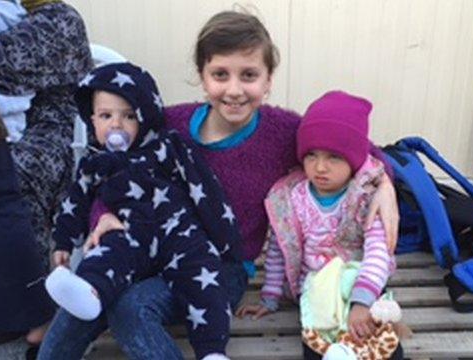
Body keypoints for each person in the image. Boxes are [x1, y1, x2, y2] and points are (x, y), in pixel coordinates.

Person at [38, 10, 399, 359]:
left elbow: (358, 149)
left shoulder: (282, 132)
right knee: (86, 294)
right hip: (151, 246)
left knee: (130, 309)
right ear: (202, 75)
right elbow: (114, 171)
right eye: (221, 74)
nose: (234, 89)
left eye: (249, 75)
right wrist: (103, 214)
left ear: (268, 79)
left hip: (223, 267)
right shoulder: (171, 124)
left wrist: (385, 185)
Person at [45, 62, 239, 360]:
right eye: (106, 116)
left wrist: (225, 241)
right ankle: (90, 292)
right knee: (105, 254)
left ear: (146, 116)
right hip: (131, 232)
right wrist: (62, 242)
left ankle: (212, 352)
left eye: (129, 116)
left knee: (203, 274)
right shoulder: (96, 165)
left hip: (177, 229)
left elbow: (204, 189)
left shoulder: (167, 147)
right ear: (92, 120)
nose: (116, 125)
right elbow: (76, 202)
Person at [0, 0, 92, 346]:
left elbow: (11, 67)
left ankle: (24, 317)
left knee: (2, 190)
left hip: (40, 127)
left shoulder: (57, 19)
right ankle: (16, 312)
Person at [236, 91, 399, 359]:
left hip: (359, 285)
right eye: (311, 155)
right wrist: (270, 297)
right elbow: (280, 248)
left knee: (381, 346)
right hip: (315, 294)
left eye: (334, 157)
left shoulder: (368, 197)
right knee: (319, 347)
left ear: (354, 159)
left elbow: (378, 252)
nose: (320, 167)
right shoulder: (291, 198)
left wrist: (362, 302)